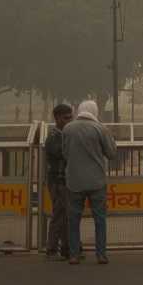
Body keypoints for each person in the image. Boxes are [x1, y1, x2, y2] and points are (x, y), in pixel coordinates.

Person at [63, 99, 117, 265]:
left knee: (73, 220)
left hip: (74, 181)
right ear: (94, 111)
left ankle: (73, 255)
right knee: (99, 220)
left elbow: (65, 154)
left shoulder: (67, 128)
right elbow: (111, 153)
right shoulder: (100, 129)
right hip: (96, 181)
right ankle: (101, 255)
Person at [44, 103, 74, 261]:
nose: (70, 120)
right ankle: (51, 247)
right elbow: (62, 153)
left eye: (71, 117)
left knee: (64, 214)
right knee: (59, 214)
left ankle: (66, 248)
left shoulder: (64, 134)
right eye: (66, 118)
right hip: (57, 180)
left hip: (64, 180)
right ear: (57, 118)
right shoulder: (54, 137)